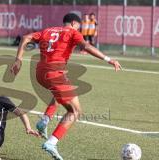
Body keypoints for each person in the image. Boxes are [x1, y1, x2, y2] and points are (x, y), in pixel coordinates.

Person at [11, 13, 122, 160]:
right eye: (79, 25)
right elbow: (86, 46)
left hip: (40, 74)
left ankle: (44, 120)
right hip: (55, 74)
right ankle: (52, 142)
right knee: (75, 111)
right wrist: (109, 59)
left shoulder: (48, 30)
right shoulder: (72, 32)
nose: (80, 28)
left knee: (60, 95)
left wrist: (18, 60)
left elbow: (25, 38)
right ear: (75, 23)